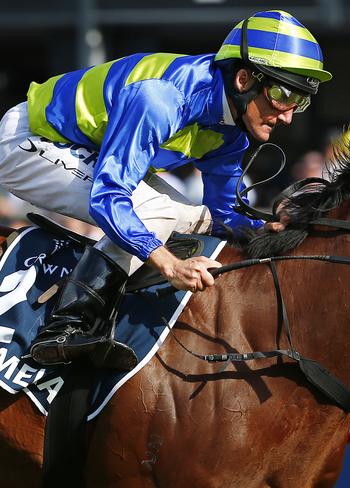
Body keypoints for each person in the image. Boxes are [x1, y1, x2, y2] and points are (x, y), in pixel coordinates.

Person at [0, 10, 331, 369]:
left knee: (197, 218)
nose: (287, 116)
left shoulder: (231, 132)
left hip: (88, 149)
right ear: (243, 78)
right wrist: (170, 265)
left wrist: (263, 231)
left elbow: (221, 216)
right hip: (29, 139)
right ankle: (65, 327)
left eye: (299, 100)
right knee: (154, 211)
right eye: (282, 94)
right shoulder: (161, 99)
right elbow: (109, 197)